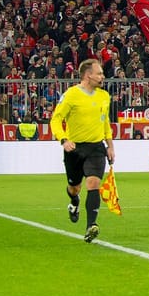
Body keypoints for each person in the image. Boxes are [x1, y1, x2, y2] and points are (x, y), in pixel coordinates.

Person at [50, 58, 114, 244]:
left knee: (94, 183)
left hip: (96, 147)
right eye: (99, 73)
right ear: (88, 75)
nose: (102, 76)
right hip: (75, 148)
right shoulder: (71, 95)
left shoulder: (103, 96)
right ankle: (74, 201)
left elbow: (105, 122)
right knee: (74, 187)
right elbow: (56, 119)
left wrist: (110, 146)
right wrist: (63, 139)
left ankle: (91, 226)